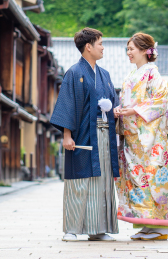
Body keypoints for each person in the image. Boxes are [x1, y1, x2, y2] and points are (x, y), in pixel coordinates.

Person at [50, 28, 120, 242]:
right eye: (100, 43)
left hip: (104, 135)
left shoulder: (105, 74)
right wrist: (67, 135)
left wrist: (114, 109)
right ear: (88, 46)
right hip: (82, 136)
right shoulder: (74, 72)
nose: (103, 47)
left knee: (103, 181)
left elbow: (113, 103)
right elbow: (67, 104)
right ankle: (71, 229)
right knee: (79, 182)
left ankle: (98, 229)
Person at [114, 32, 168, 241]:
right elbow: (128, 104)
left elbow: (161, 103)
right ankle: (145, 224)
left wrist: (133, 111)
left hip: (148, 140)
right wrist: (120, 110)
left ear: (145, 50)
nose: (128, 53)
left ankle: (160, 228)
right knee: (136, 182)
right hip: (133, 140)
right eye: (127, 49)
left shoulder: (153, 73)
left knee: (151, 180)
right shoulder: (130, 76)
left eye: (132, 49)